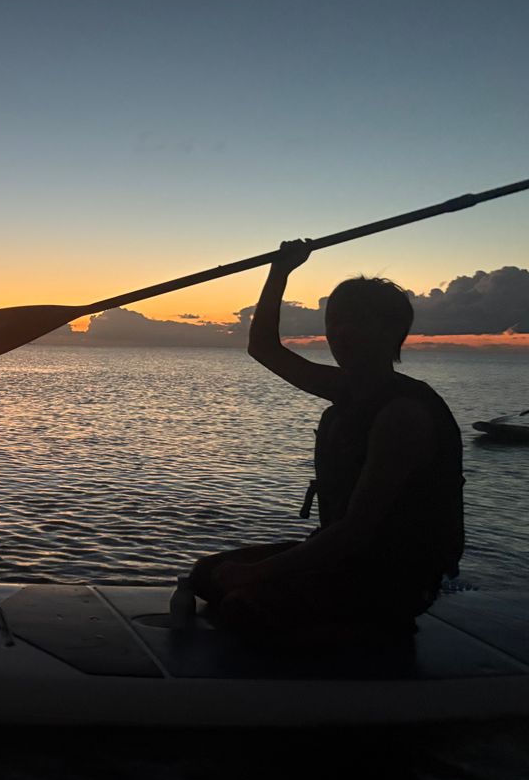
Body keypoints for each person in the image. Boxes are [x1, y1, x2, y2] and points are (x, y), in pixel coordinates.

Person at [188, 240, 464, 643]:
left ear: (391, 331)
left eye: (356, 322)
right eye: (334, 321)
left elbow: (356, 530)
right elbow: (263, 347)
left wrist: (254, 573)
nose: (340, 332)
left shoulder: (403, 414)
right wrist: (280, 270)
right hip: (343, 559)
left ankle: (371, 633)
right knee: (205, 576)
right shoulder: (346, 388)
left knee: (243, 605)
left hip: (392, 576)